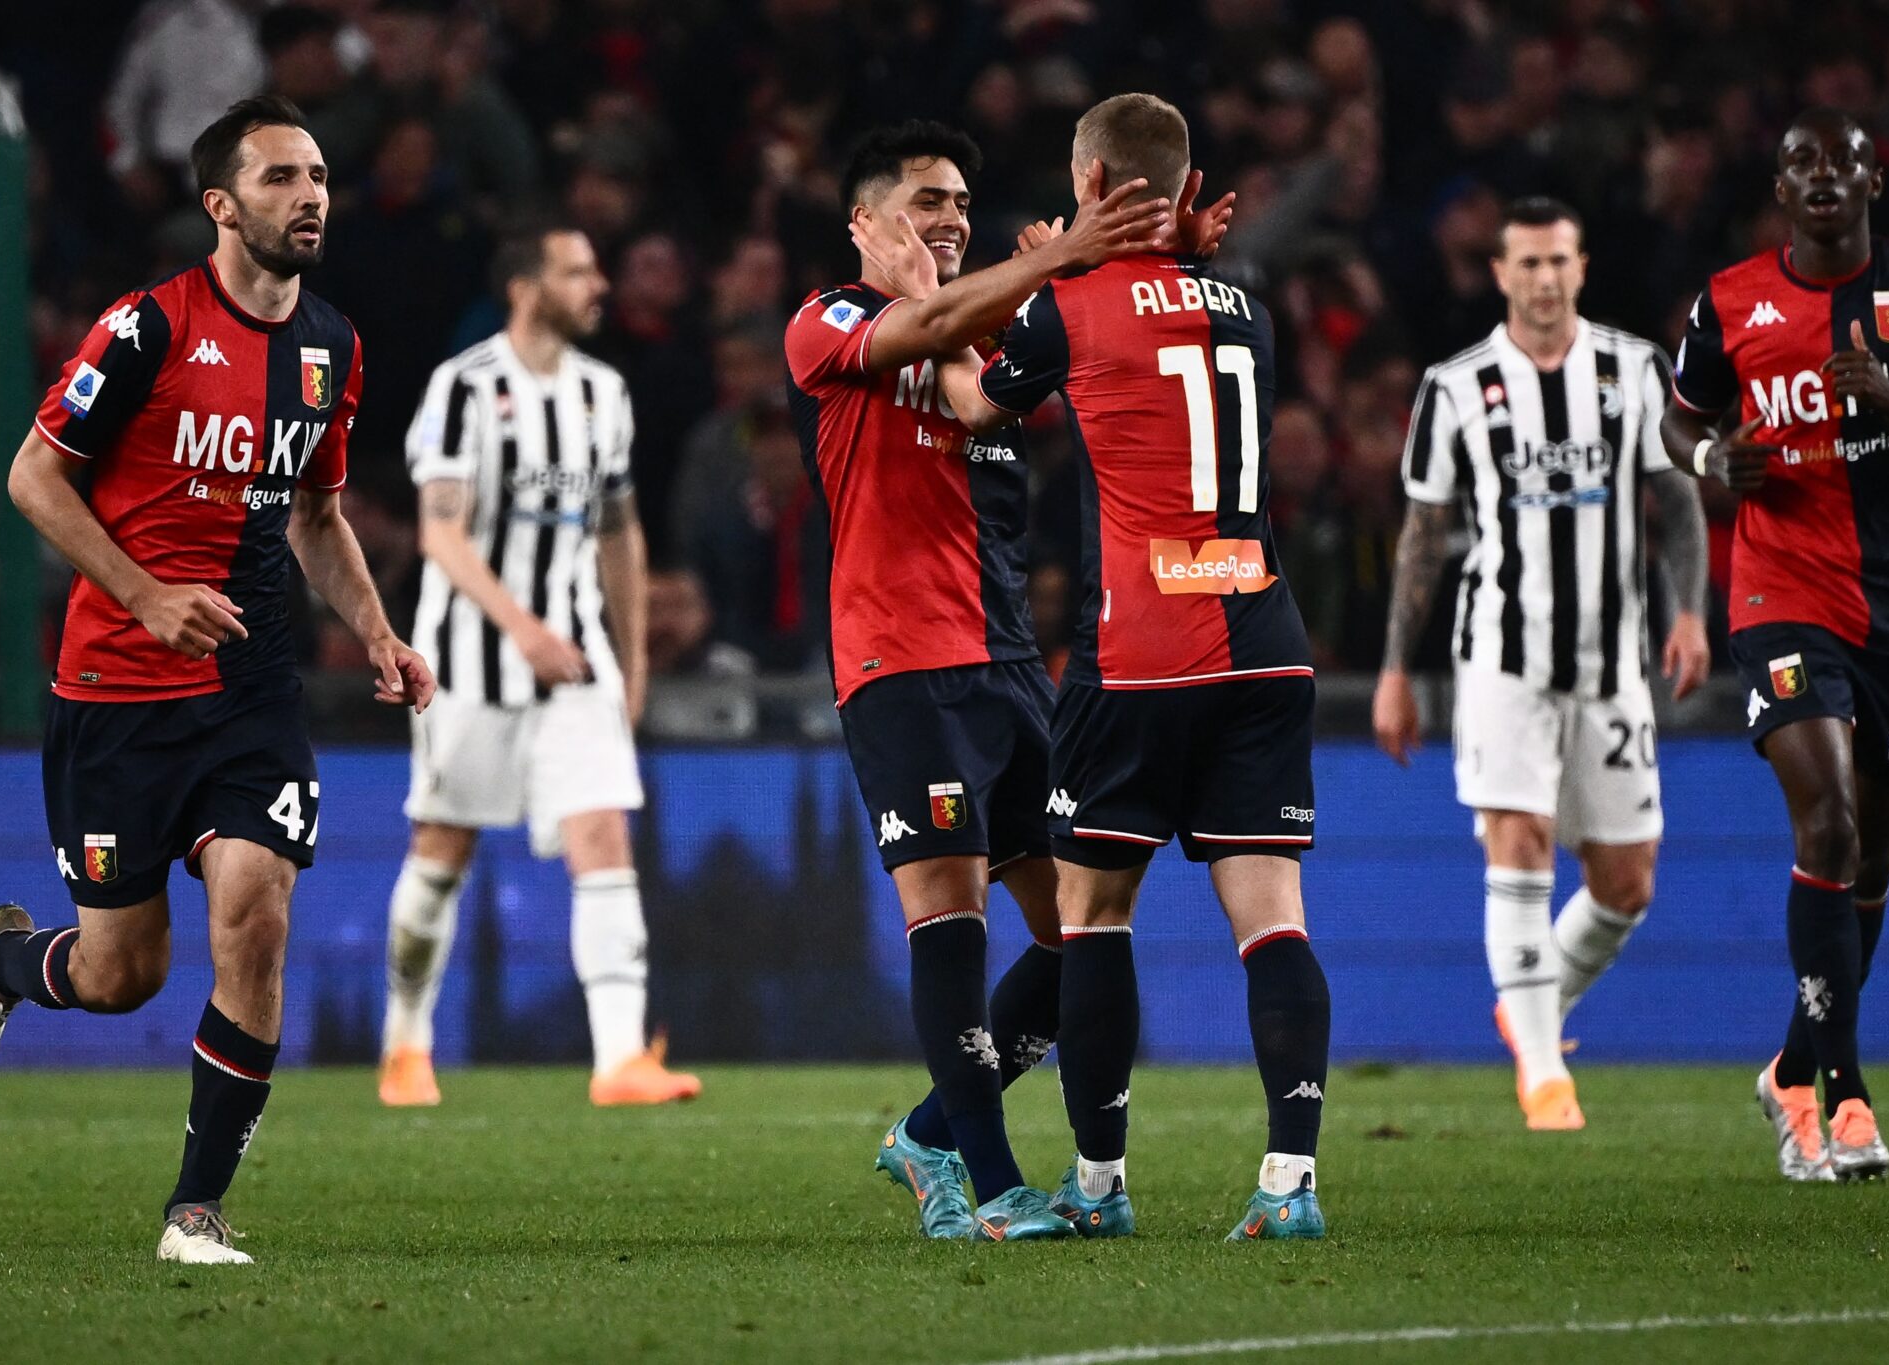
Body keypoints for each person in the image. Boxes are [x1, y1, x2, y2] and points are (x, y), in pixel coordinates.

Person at [0, 96, 433, 1264]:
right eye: (277, 179)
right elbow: (32, 479)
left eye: (316, 175)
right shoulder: (145, 329)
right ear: (221, 205)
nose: (308, 196)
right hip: (113, 694)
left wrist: (374, 630)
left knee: (255, 917)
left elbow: (315, 511)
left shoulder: (333, 347)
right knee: (120, 977)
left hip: (250, 693)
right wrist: (145, 595)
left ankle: (194, 1210)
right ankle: (10, 961)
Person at [926, 93, 1329, 1242]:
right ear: (1182, 189)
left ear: (1093, 185)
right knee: (1274, 922)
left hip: (1143, 646)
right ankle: (1287, 1184)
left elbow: (970, 406)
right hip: (1261, 635)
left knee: (1095, 915)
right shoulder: (1244, 305)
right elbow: (1176, 329)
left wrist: (1004, 296)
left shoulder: (1067, 305)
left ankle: (1098, 1187)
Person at [784, 118, 1174, 1242]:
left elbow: (978, 381)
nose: (949, 218)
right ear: (862, 222)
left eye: (959, 201)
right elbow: (934, 325)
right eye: (923, 201)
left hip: (1010, 669)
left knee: (1078, 929)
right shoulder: (828, 321)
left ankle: (926, 1132)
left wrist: (1124, 259)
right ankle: (993, 1187)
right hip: (900, 665)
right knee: (948, 915)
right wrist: (1046, 265)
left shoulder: (980, 334)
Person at [1661, 108, 1889, 1183]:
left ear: (1868, 186)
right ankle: (1840, 1100)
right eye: (1802, 162)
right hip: (1776, 590)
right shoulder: (1727, 300)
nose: (1824, 177)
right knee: (1828, 822)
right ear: (1781, 189)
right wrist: (1713, 463)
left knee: (1868, 860)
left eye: (1843, 161)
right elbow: (1679, 423)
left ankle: (1793, 1067)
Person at [1372, 196, 1712, 1131]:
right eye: (1527, 263)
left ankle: (1531, 1002)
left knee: (1627, 881)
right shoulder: (1455, 386)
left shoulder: (1635, 370)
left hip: (1613, 663)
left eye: (1559, 261)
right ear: (1500, 274)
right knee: (1515, 840)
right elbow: (1424, 533)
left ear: (1582, 266)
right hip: (1500, 658)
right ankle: (1542, 1072)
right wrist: (1396, 668)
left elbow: (1676, 502)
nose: (1545, 279)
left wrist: (1690, 613)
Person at [378, 220, 698, 1109]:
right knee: (441, 852)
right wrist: (519, 626)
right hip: (471, 660)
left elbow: (619, 531)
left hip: (577, 660)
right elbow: (440, 530)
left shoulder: (604, 393)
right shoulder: (463, 389)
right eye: (577, 270)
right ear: (525, 286)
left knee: (604, 834)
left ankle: (620, 1058)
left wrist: (628, 660)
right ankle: (406, 1039)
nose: (596, 285)